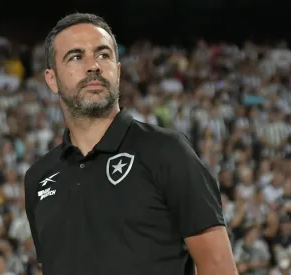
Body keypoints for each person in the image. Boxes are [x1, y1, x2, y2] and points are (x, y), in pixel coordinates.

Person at [24, 13, 237, 275]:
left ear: (118, 69)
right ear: (52, 79)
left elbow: (218, 267)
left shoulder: (166, 151)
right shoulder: (38, 178)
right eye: (76, 57)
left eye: (103, 55)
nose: (94, 66)